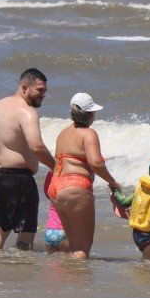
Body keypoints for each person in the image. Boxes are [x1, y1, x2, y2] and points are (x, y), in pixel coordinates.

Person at [0, 68, 55, 251]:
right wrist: (57, 167)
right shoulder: (27, 112)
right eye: (39, 90)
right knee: (26, 232)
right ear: (24, 87)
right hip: (18, 180)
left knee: (1, 229)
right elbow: (36, 145)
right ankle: (21, 276)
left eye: (45, 91)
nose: (43, 95)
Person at [48, 92, 122, 259]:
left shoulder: (63, 133)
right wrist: (112, 182)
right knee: (82, 248)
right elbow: (96, 163)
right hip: (75, 186)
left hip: (55, 187)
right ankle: (78, 284)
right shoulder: (89, 133)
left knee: (73, 244)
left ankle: (60, 266)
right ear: (90, 114)